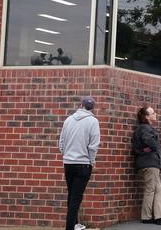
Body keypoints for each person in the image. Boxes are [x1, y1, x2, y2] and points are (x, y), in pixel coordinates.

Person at [59, 97, 100, 230]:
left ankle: (75, 224)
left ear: (80, 105)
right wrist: (92, 162)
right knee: (76, 198)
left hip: (68, 163)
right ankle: (70, 227)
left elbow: (61, 143)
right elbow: (93, 146)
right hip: (83, 164)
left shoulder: (68, 120)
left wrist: (66, 155)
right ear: (92, 108)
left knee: (72, 195)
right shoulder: (93, 121)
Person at [132, 105, 161, 225]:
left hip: (149, 162)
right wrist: (154, 147)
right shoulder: (146, 128)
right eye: (153, 113)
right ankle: (148, 217)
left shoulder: (143, 128)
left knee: (157, 189)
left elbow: (143, 146)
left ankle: (158, 216)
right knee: (152, 189)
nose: (155, 114)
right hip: (149, 163)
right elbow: (148, 141)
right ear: (147, 116)